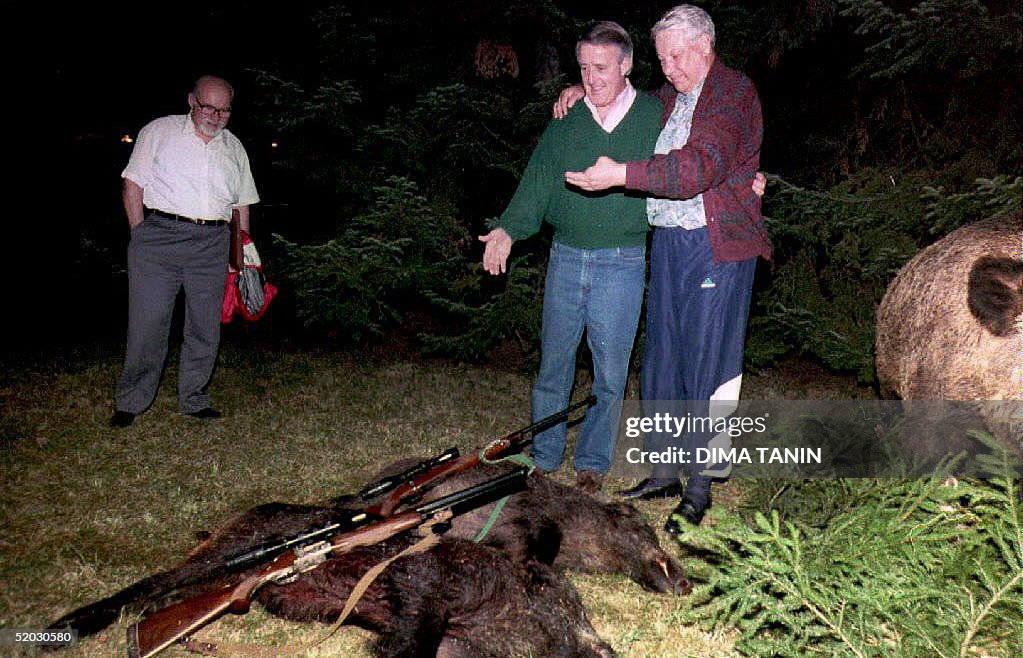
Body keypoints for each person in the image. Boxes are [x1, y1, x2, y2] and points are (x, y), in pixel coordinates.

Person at [564, 5, 771, 533]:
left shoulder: (730, 94)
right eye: (661, 59)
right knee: (662, 356)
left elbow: (698, 166)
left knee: (708, 363)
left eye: (677, 56)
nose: (669, 68)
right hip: (673, 241)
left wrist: (621, 174)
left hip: (718, 246)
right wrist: (577, 93)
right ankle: (663, 471)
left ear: (705, 45)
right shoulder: (672, 98)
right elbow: (628, 105)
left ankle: (700, 488)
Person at [479, 22, 663, 493]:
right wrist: (507, 230)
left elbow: (690, 161)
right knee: (553, 364)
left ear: (625, 66)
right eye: (583, 68)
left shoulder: (653, 116)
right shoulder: (568, 118)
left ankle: (593, 463)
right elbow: (538, 179)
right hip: (565, 258)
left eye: (601, 68)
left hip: (622, 262)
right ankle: (544, 456)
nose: (591, 78)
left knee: (610, 370)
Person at [109, 75, 260, 428]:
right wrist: (139, 235)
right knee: (148, 324)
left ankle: (194, 399)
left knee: (205, 326)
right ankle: (131, 401)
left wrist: (243, 260)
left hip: (213, 243)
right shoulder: (159, 132)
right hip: (159, 238)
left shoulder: (234, 148)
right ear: (192, 100)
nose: (217, 115)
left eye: (225, 110)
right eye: (209, 106)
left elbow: (241, 207)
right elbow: (132, 184)